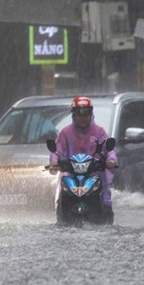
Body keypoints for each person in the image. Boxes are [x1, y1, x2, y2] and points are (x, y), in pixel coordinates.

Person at [49, 96, 118, 224]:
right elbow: (57, 151)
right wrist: (54, 163)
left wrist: (111, 160)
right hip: (70, 174)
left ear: (91, 114)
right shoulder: (65, 133)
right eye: (79, 114)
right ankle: (61, 216)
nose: (83, 118)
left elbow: (110, 150)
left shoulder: (99, 131)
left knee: (105, 192)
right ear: (73, 115)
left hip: (94, 174)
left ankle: (106, 215)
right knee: (61, 191)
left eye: (86, 114)